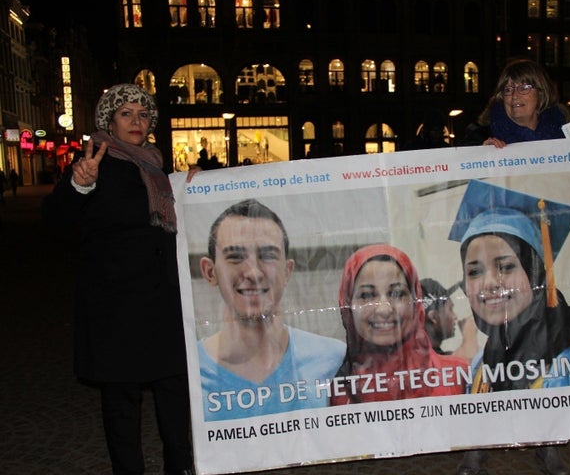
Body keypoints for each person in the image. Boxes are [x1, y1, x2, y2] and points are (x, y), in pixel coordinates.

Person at [41, 83, 194, 475]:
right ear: (109, 120)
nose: (136, 121)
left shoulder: (156, 169)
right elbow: (56, 220)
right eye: (126, 113)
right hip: (115, 308)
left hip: (162, 305)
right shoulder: (95, 162)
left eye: (143, 114)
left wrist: (195, 188)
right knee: (122, 404)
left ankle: (180, 468)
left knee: (175, 398)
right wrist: (80, 184)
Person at [450, 180, 570, 475]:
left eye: (506, 266)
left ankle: (551, 444)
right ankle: (476, 449)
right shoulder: (480, 365)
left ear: (534, 270)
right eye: (474, 271)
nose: (489, 283)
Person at [197, 198, 346, 420]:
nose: (254, 273)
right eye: (235, 257)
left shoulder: (335, 358)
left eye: (267, 256)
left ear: (287, 271)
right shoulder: (191, 372)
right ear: (210, 272)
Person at [330, 244, 468, 405]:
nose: (384, 309)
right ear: (347, 306)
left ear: (415, 302)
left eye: (397, 293)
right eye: (367, 295)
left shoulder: (457, 377)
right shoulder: (335, 393)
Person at [420, 278, 479, 360]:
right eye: (450, 309)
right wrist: (469, 333)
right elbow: (470, 366)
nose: (455, 316)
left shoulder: (418, 355)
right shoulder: (426, 360)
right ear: (433, 317)